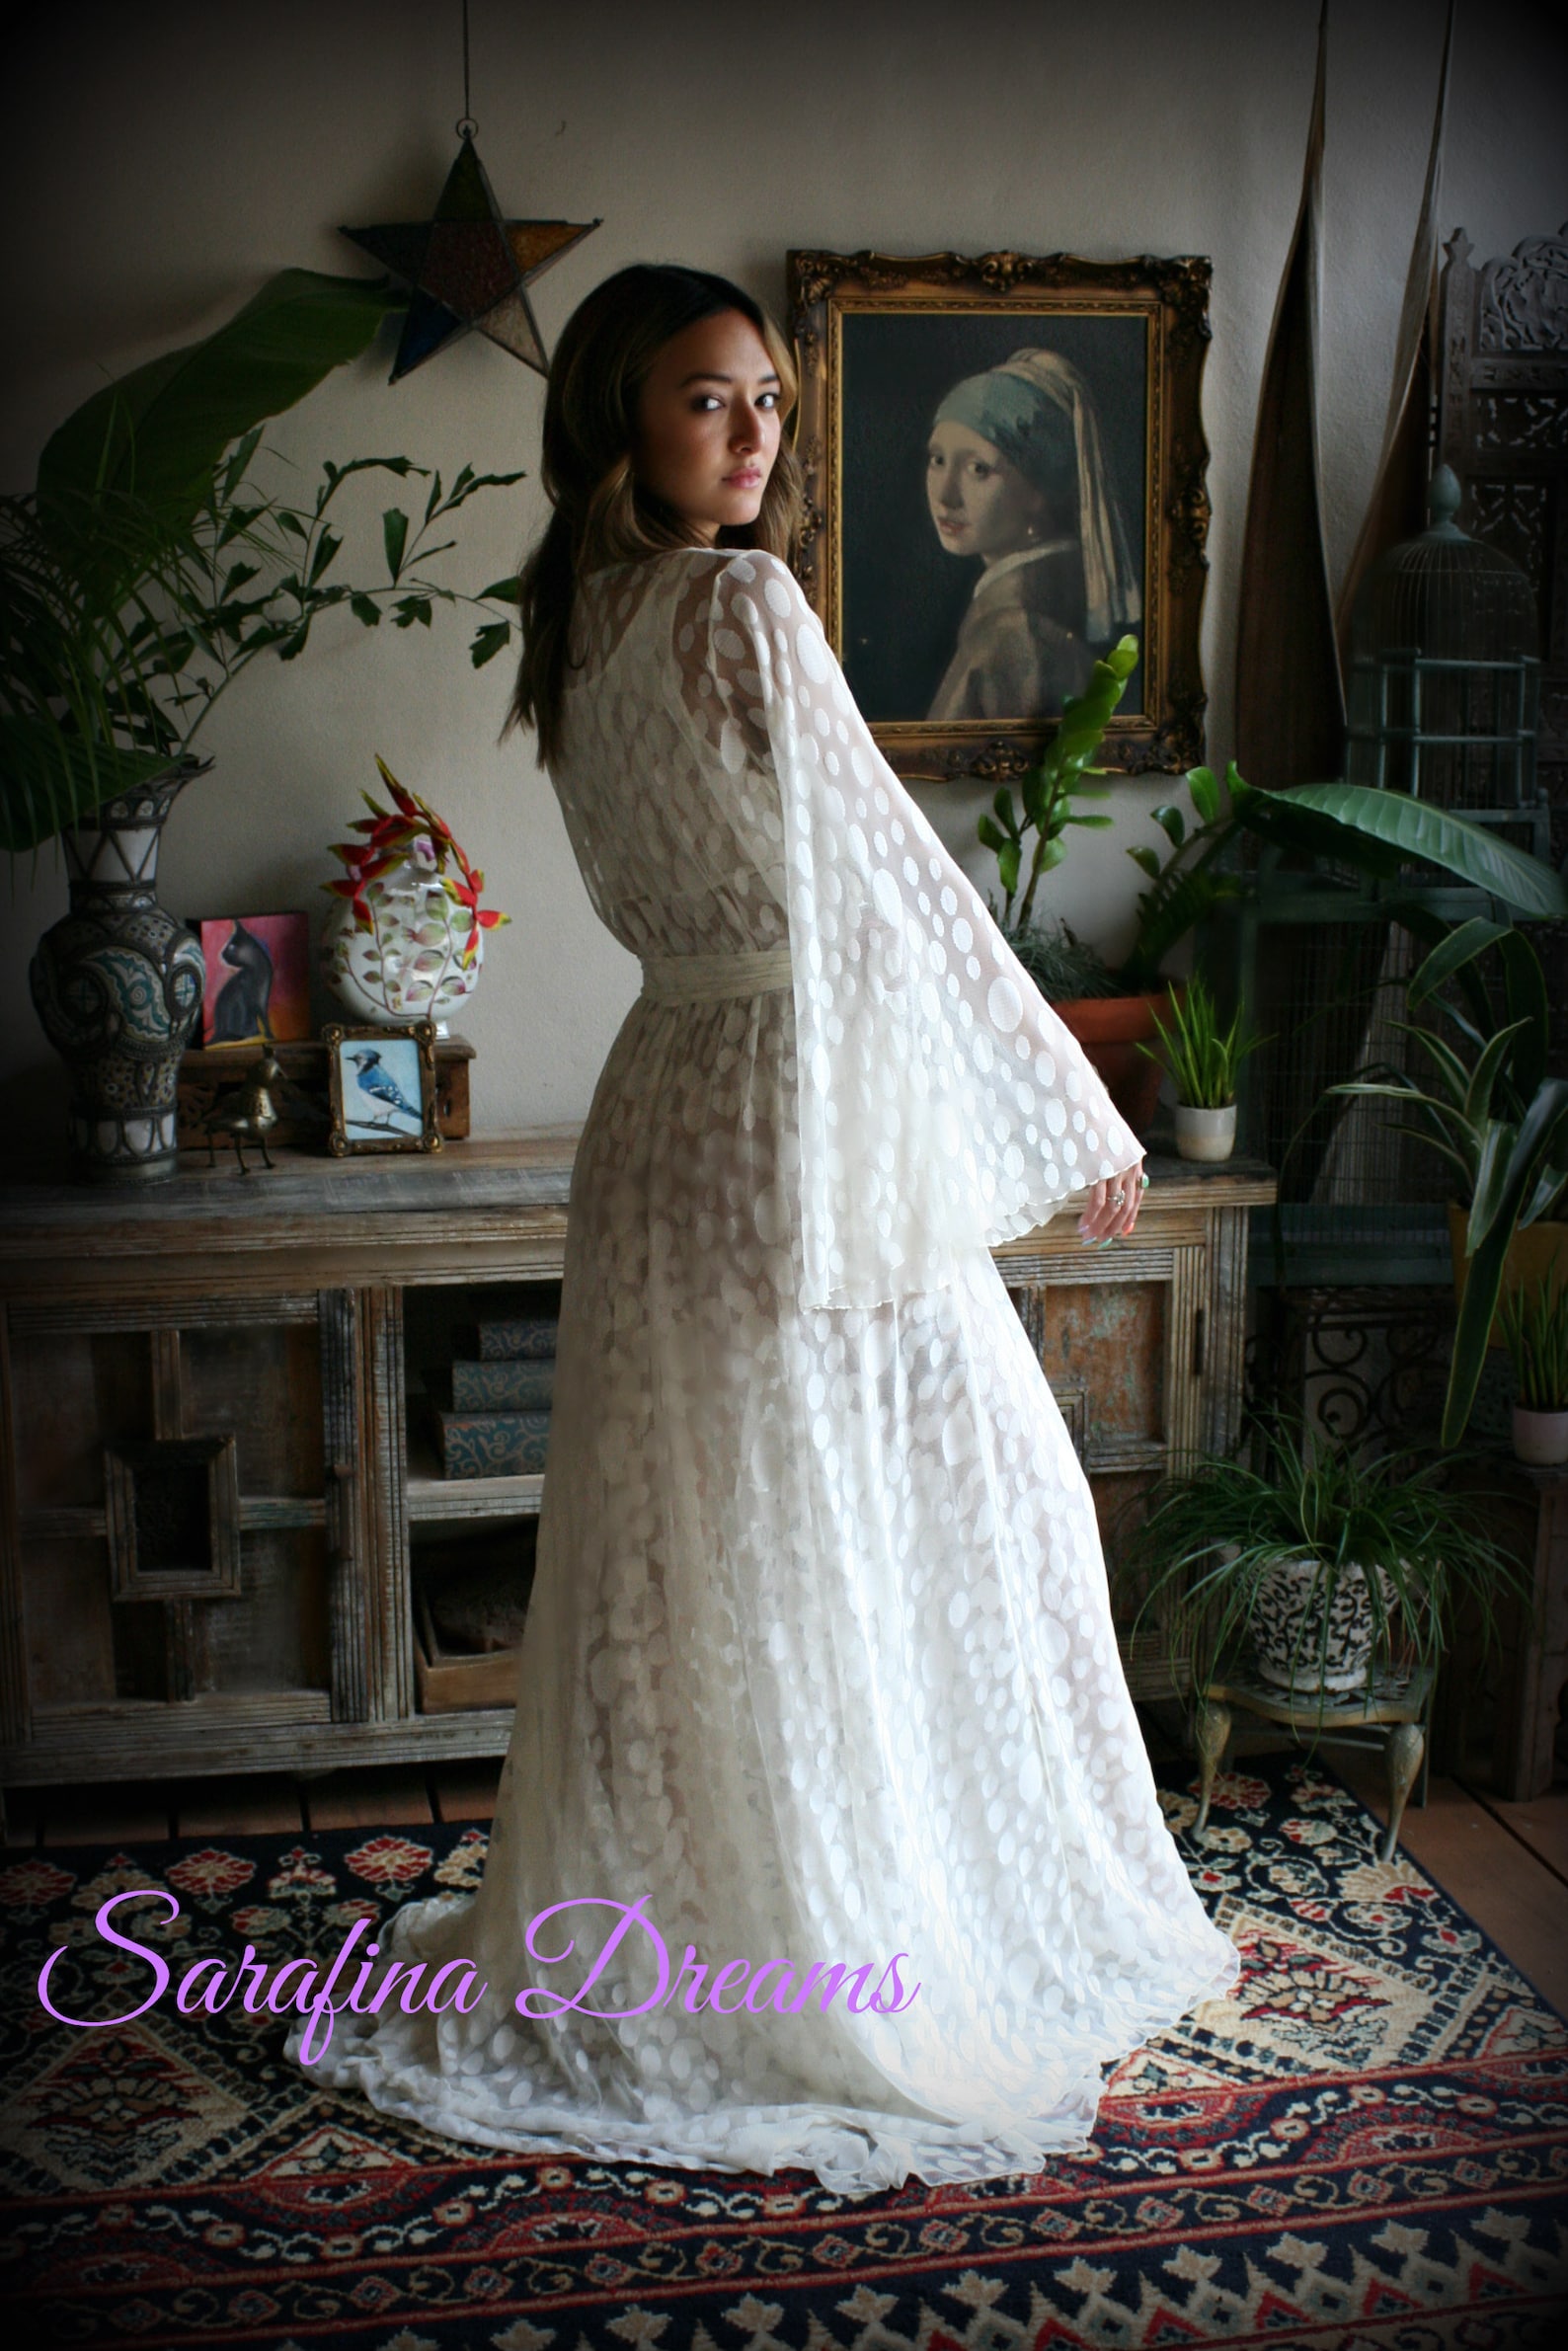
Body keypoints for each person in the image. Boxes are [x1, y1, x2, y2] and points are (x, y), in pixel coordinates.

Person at [286, 265, 1236, 2195]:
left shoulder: (574, 612)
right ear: (619, 416)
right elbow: (889, 877)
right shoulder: (730, 602)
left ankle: (737, 1902)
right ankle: (859, 1930)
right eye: (705, 398)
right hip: (783, 1100)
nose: (749, 432)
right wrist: (1070, 1107)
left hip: (666, 1104)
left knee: (712, 1521)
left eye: (765, 402)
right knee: (935, 1503)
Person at [925, 347, 1141, 723]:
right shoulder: (1016, 617)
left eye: (978, 469)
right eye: (938, 460)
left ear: (1041, 488)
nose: (945, 496)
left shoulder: (1012, 634)